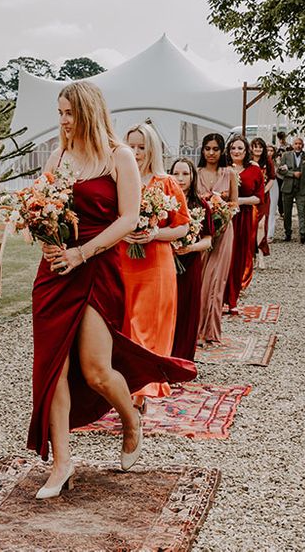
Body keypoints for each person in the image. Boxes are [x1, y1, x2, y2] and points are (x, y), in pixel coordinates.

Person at [31, 81, 198, 500]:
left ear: (88, 112)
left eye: (69, 113)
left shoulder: (118, 156)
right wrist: (48, 240)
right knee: (54, 370)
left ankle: (130, 419)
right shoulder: (60, 156)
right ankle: (61, 463)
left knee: (96, 370)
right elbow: (42, 211)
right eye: (60, 113)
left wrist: (82, 253)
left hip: (98, 267)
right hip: (55, 271)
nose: (63, 121)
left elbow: (127, 219)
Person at [118, 123, 189, 409]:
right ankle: (124, 383)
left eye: (141, 147)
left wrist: (154, 233)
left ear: (152, 149)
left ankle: (141, 391)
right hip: (123, 259)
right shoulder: (117, 179)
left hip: (156, 263)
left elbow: (182, 227)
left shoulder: (166, 183)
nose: (135, 153)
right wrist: (125, 232)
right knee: (125, 325)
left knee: (147, 325)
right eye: (131, 146)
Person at [169, 158, 214, 361]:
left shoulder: (200, 204)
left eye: (185, 174)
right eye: (176, 174)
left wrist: (190, 248)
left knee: (187, 309)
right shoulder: (164, 201)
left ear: (193, 176)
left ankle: (184, 357)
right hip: (166, 262)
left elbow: (208, 240)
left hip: (189, 262)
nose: (180, 179)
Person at [196, 133, 238, 344]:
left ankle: (211, 330)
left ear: (222, 151)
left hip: (223, 230)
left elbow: (235, 204)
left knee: (216, 280)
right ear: (202, 150)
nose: (211, 153)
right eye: (207, 148)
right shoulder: (196, 173)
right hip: (201, 230)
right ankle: (196, 329)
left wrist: (221, 208)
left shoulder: (229, 173)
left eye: (215, 149)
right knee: (200, 280)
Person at [224, 135, 264, 313]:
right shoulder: (223, 169)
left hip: (244, 216)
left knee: (239, 255)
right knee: (223, 256)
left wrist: (238, 201)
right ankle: (218, 295)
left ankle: (233, 297)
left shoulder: (254, 171)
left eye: (240, 148)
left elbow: (258, 197)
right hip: (225, 216)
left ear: (246, 150)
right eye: (233, 148)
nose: (236, 151)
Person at [277, 136, 305, 244]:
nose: (298, 145)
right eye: (296, 143)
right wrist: (292, 174)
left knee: (302, 211)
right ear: (293, 145)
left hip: (301, 189)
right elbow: (280, 170)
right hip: (288, 187)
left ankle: (303, 234)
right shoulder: (286, 155)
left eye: (300, 144)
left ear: (303, 145)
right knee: (287, 212)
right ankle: (287, 233)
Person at [250, 137, 276, 264]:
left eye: (260, 147)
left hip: (263, 198)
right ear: (251, 148)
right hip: (250, 197)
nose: (258, 149)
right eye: (255, 146)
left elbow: (272, 178)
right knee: (250, 226)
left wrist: (264, 190)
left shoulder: (268, 161)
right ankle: (251, 254)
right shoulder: (247, 161)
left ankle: (260, 254)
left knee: (261, 225)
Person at [266, 144, 280, 241]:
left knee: (272, 208)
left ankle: (270, 233)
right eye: (268, 150)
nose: (270, 152)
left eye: (271, 150)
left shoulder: (276, 162)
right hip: (263, 183)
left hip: (273, 184)